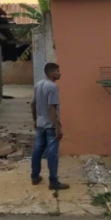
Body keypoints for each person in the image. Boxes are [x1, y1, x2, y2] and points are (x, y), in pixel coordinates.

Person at [31, 62, 69, 190]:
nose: (60, 73)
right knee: (53, 153)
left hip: (40, 123)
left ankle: (34, 176)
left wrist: (35, 120)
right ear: (51, 73)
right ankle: (53, 181)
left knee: (37, 149)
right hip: (50, 124)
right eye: (58, 71)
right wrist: (57, 127)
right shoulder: (52, 87)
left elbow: (33, 104)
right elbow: (51, 108)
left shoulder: (38, 84)